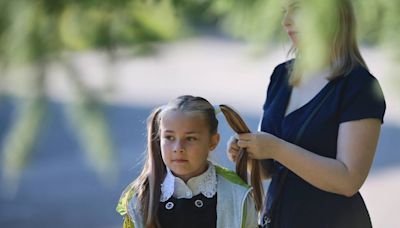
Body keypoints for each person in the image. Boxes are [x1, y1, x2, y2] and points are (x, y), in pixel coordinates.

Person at [226, 0, 386, 227]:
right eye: (284, 12)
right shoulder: (282, 75)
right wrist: (248, 152)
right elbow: (270, 169)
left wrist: (275, 147)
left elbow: (349, 180)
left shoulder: (359, 86)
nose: (286, 22)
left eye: (297, 10)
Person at [116, 95, 258, 228]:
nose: (178, 148)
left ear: (213, 142)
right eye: (169, 138)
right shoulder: (139, 197)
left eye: (190, 138)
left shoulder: (237, 197)